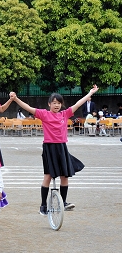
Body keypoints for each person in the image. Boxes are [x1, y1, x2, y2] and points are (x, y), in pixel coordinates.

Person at [10, 85, 98, 214]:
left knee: (65, 176)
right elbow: (28, 108)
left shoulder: (65, 114)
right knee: (48, 176)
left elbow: (78, 104)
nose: (57, 105)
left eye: (59, 103)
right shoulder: (44, 114)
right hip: (49, 147)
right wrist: (16, 99)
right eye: (54, 103)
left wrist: (90, 92)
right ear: (49, 104)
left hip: (62, 147)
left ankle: (63, 201)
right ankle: (43, 205)